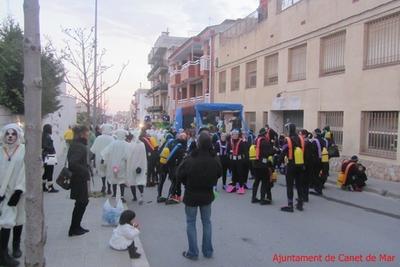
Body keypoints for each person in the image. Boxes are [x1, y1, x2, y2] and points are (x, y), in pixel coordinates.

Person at [177, 132, 222, 260]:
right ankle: (207, 251)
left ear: (198, 143)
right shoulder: (214, 158)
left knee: (191, 223)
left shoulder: (190, 159)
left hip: (191, 194)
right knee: (207, 222)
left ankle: (193, 252)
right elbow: (219, 173)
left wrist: (186, 183)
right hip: (207, 194)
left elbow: (179, 174)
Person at [0, 124, 26, 266]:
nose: (10, 136)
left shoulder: (23, 151)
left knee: (19, 218)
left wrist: (19, 190)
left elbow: (26, 171)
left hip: (18, 192)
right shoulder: (0, 150)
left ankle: (16, 246)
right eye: (8, 134)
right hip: (3, 193)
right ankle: (3, 254)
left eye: (13, 134)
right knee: (6, 221)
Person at [67, 125, 91, 236]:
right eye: (87, 133)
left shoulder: (77, 144)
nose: (88, 135)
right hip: (79, 178)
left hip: (78, 178)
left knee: (81, 203)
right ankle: (74, 228)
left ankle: (76, 226)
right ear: (82, 134)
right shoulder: (79, 146)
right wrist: (85, 170)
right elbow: (73, 163)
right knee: (82, 202)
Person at [281, 123, 305, 212]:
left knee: (290, 185)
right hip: (300, 165)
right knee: (299, 185)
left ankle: (290, 205)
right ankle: (300, 204)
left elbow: (283, 152)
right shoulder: (301, 139)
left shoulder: (287, 140)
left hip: (290, 165)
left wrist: (277, 163)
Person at [101, 129, 130, 202]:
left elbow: (105, 152)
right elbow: (128, 155)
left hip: (113, 165)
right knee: (122, 180)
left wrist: (103, 159)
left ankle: (114, 194)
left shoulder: (113, 143)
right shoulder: (126, 144)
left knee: (114, 178)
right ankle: (122, 196)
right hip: (122, 165)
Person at [251, 128, 274, 205]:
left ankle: (253, 198)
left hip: (255, 164)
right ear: (265, 134)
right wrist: (274, 150)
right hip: (263, 165)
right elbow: (269, 153)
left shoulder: (256, 140)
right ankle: (262, 199)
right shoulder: (265, 142)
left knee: (256, 181)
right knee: (264, 182)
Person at [90, 124, 114, 194]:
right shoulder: (112, 139)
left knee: (102, 173)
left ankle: (103, 186)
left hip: (100, 159)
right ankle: (109, 188)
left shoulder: (98, 138)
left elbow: (93, 150)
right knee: (109, 173)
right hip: (109, 159)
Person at [165, 132, 188, 205]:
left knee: (176, 181)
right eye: (183, 136)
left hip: (174, 165)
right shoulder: (180, 145)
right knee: (177, 182)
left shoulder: (177, 144)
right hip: (177, 165)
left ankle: (176, 195)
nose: (184, 138)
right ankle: (174, 196)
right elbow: (181, 156)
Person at [127, 131, 147, 204]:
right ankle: (141, 195)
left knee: (132, 181)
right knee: (140, 180)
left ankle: (134, 197)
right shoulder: (142, 145)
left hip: (131, 166)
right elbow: (144, 156)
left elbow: (128, 155)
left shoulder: (130, 145)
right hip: (141, 166)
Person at [226, 129, 247, 194]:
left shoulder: (241, 142)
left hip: (239, 160)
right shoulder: (230, 142)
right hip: (232, 160)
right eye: (233, 134)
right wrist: (229, 155)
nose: (234, 136)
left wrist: (244, 160)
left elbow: (244, 152)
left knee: (240, 173)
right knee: (234, 173)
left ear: (238, 135)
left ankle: (241, 186)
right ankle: (234, 186)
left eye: (235, 134)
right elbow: (228, 151)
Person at [42, 124, 58, 193]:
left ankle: (43, 186)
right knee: (50, 172)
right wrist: (51, 149)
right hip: (49, 156)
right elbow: (45, 146)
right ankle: (50, 187)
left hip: (46, 156)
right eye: (51, 128)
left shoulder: (44, 136)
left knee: (46, 172)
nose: (52, 130)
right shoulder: (47, 137)